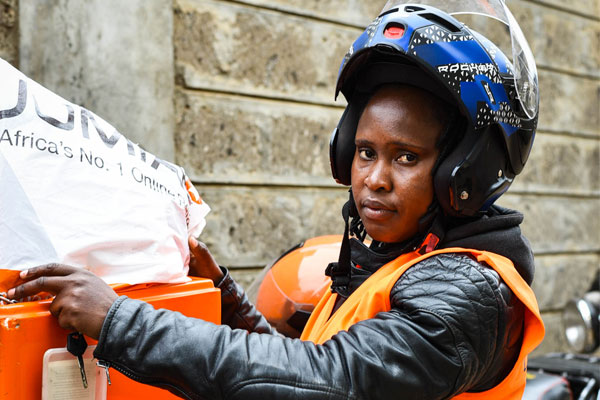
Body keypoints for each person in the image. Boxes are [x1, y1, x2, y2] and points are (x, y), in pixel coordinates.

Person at [8, 1, 545, 399]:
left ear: (463, 171)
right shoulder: (394, 260)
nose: (375, 179)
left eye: (405, 157)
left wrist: (121, 321)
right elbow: (307, 360)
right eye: (363, 152)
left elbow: (330, 382)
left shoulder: (466, 293)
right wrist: (228, 301)